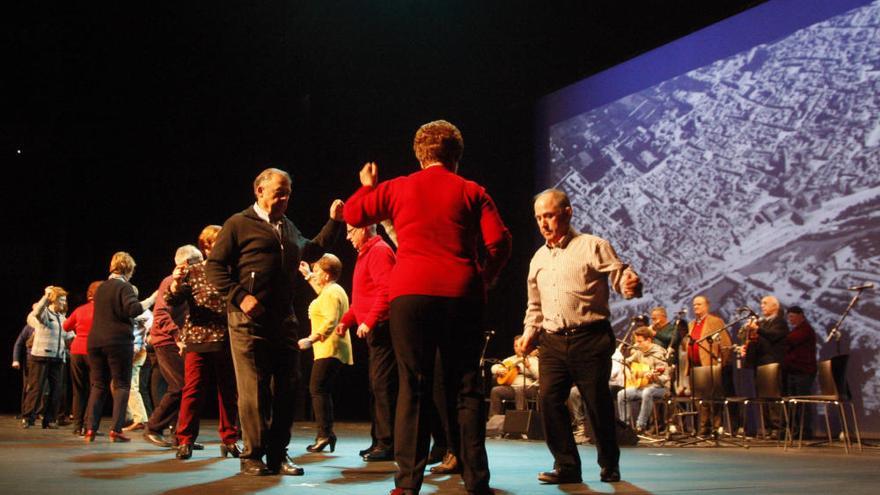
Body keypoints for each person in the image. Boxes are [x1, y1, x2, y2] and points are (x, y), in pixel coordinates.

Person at [344, 120, 511, 495]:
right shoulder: (472, 191)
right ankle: (477, 482)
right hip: (462, 294)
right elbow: (500, 242)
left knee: (413, 386)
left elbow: (353, 215)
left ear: (419, 155)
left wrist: (368, 186)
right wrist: (484, 277)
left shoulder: (398, 187)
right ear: (456, 155)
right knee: (467, 387)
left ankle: (407, 484)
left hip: (411, 295)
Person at [206, 167, 344, 476]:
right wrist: (239, 296)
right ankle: (252, 455)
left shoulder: (287, 226)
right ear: (259, 191)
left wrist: (334, 221)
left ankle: (278, 454)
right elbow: (213, 267)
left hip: (283, 320)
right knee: (254, 391)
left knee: (288, 387)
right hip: (247, 321)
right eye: (278, 192)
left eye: (288, 194)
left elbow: (310, 249)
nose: (284, 199)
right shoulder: (238, 224)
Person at [518, 188, 640, 485]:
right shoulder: (537, 259)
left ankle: (609, 463)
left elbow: (619, 272)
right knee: (549, 400)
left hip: (591, 337)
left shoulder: (593, 246)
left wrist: (628, 282)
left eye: (548, 215)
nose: (543, 223)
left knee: (596, 402)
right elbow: (534, 305)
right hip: (553, 341)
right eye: (538, 218)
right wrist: (528, 334)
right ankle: (567, 465)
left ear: (567, 213)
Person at [167, 228, 242, 460]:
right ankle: (185, 440)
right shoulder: (194, 271)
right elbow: (173, 300)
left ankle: (230, 440)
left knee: (228, 391)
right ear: (206, 248)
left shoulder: (233, 271)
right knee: (193, 390)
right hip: (198, 338)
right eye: (215, 244)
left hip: (227, 338)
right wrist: (175, 283)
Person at [334, 224, 397, 462]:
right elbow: (362, 298)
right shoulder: (365, 253)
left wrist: (369, 321)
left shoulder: (379, 251)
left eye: (352, 231)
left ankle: (388, 442)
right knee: (376, 386)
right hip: (373, 328)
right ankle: (379, 440)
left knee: (383, 386)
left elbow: (386, 291)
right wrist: (347, 320)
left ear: (365, 229)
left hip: (383, 328)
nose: (348, 237)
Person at [84, 252, 152, 442]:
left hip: (95, 341)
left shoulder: (101, 288)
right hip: (117, 341)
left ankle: (90, 429)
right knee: (122, 385)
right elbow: (133, 310)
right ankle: (116, 430)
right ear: (128, 269)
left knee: (98, 385)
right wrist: (153, 298)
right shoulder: (125, 286)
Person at [143, 246, 200, 448]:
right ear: (185, 265)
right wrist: (177, 336)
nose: (202, 265)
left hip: (182, 341)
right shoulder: (169, 282)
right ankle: (153, 427)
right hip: (166, 341)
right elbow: (160, 314)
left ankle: (182, 437)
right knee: (181, 385)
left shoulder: (194, 283)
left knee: (188, 388)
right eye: (198, 262)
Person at [298, 254, 352, 453]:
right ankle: (326, 434)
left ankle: (325, 434)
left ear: (328, 274)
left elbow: (331, 320)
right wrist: (308, 275)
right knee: (321, 389)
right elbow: (321, 291)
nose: (316, 273)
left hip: (331, 346)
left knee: (317, 388)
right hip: (328, 347)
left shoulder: (332, 292)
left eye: (319, 270)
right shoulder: (330, 290)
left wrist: (311, 339)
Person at [22, 286, 71, 429]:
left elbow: (69, 335)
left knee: (56, 390)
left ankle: (49, 420)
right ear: (53, 301)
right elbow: (36, 312)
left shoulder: (62, 318)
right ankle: (28, 417)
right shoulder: (44, 315)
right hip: (41, 356)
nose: (63, 303)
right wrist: (46, 296)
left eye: (65, 300)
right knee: (36, 389)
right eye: (61, 300)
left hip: (57, 358)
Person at [681, 295, 731, 435]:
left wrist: (721, 363)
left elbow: (726, 344)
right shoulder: (691, 324)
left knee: (712, 398)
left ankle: (716, 426)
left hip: (710, 366)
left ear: (706, 306)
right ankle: (704, 427)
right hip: (694, 367)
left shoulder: (715, 321)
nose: (695, 307)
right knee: (699, 399)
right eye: (694, 305)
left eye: (699, 304)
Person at [742, 295, 789, 438]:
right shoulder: (761, 323)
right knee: (763, 397)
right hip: (760, 364)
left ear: (775, 306)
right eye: (761, 303)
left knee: (773, 397)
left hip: (773, 363)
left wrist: (758, 329)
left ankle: (778, 428)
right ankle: (767, 427)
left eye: (765, 303)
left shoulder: (780, 322)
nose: (762, 306)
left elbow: (774, 336)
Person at [63, 281, 101, 435]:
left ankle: (77, 426)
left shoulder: (80, 309)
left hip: (77, 350)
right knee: (95, 389)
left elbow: (66, 326)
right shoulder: (103, 311)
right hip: (94, 351)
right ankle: (89, 426)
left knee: (78, 390)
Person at [616, 326, 670, 434]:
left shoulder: (658, 354)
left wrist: (654, 376)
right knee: (622, 394)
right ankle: (625, 427)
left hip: (661, 388)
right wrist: (629, 370)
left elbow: (665, 378)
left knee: (647, 392)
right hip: (644, 386)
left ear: (649, 340)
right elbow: (626, 361)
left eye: (640, 342)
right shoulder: (640, 351)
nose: (637, 344)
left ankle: (640, 426)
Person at [783, 306, 816, 439]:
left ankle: (804, 431)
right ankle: (796, 430)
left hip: (803, 371)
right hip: (794, 371)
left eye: (792, 316)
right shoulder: (797, 330)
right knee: (795, 402)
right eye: (788, 316)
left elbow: (790, 340)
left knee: (802, 402)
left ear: (800, 315)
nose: (790, 319)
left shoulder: (805, 330)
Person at [488, 335, 539, 417]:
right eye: (515, 346)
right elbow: (494, 367)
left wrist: (529, 367)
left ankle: (521, 419)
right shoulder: (510, 360)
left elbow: (539, 376)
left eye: (520, 345)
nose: (518, 348)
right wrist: (498, 370)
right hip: (512, 389)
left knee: (519, 389)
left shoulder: (533, 359)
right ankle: (493, 419)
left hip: (530, 389)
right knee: (496, 391)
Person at [12, 324, 35, 419]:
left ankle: (40, 412)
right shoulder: (30, 327)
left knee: (46, 388)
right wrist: (15, 359)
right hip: (31, 360)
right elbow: (19, 343)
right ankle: (26, 411)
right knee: (29, 387)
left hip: (47, 359)